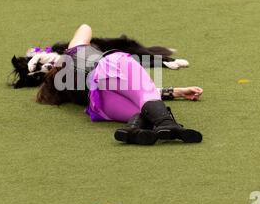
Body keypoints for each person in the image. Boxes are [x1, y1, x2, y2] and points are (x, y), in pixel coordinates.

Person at [33, 24, 203, 145]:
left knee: (142, 108)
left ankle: (132, 129)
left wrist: (177, 92)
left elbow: (131, 90)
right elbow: (85, 27)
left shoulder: (72, 93)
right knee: (144, 94)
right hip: (111, 65)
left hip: (101, 103)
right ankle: (167, 123)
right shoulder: (73, 51)